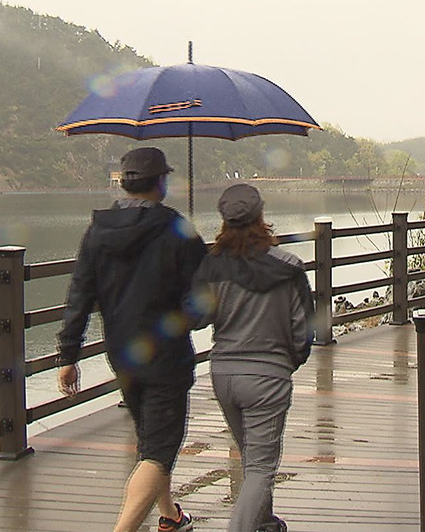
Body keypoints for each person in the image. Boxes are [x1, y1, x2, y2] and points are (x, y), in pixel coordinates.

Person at [57, 147, 206, 532]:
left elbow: (80, 294)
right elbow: (202, 299)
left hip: (122, 354)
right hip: (167, 357)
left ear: (124, 183)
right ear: (161, 182)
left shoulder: (98, 231)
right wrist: (190, 316)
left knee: (150, 438)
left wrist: (68, 355)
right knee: (158, 451)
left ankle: (170, 516)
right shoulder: (177, 229)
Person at [190, 183, 310, 532]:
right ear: (261, 217)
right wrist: (288, 362)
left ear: (224, 221)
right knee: (260, 467)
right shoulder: (289, 267)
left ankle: (265, 523)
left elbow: (197, 318)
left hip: (224, 373)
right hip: (268, 376)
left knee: (252, 455)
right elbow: (303, 332)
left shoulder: (212, 266)